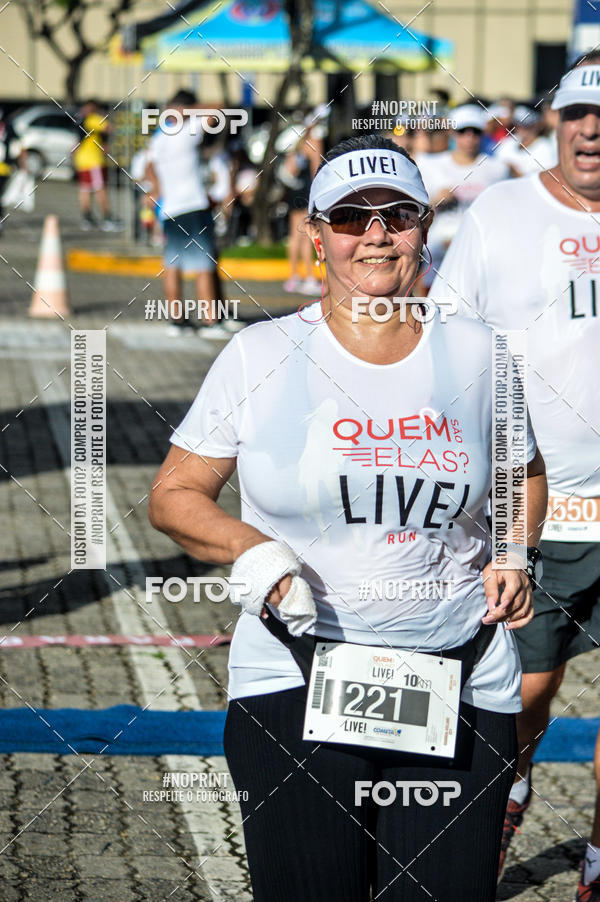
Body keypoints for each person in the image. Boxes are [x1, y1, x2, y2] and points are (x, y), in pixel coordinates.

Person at [148, 133, 547, 901]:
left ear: (425, 227)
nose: (375, 234)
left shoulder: (482, 354)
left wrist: (513, 552)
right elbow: (174, 495)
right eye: (350, 217)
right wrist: (256, 554)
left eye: (396, 214)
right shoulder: (260, 353)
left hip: (460, 680)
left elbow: (522, 474)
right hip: (294, 677)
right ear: (316, 232)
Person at [431, 55, 600, 899]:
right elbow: (451, 347)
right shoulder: (501, 212)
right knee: (525, 697)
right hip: (540, 512)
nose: (594, 129)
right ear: (555, 122)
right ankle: (508, 798)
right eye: (578, 113)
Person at [145, 90, 228, 339]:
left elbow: (149, 167)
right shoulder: (187, 131)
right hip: (192, 206)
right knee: (204, 265)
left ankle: (177, 321)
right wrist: (188, 111)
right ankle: (210, 323)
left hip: (170, 209)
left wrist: (158, 189)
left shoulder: (159, 139)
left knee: (173, 265)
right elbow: (219, 108)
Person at [414, 103, 509, 294]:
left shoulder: (497, 168)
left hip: (480, 249)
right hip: (438, 251)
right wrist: (435, 201)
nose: (469, 137)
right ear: (452, 133)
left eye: (475, 132)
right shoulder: (429, 165)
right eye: (463, 131)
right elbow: (415, 211)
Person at [280, 119, 323, 296]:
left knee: (295, 236)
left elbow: (291, 171)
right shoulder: (313, 143)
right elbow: (316, 170)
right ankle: (310, 278)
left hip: (294, 194)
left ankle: (294, 276)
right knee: (306, 237)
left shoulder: (296, 147)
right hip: (306, 193)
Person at [72, 100, 120, 231]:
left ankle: (87, 218)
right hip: (93, 161)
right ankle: (107, 218)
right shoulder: (93, 119)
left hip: (82, 161)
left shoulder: (81, 120)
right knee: (100, 190)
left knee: (85, 190)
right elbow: (109, 128)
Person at [494, 103, 557, 177]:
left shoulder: (545, 149)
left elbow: (543, 180)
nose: (521, 129)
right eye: (518, 124)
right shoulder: (508, 142)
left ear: (537, 125)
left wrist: (515, 172)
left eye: (527, 125)